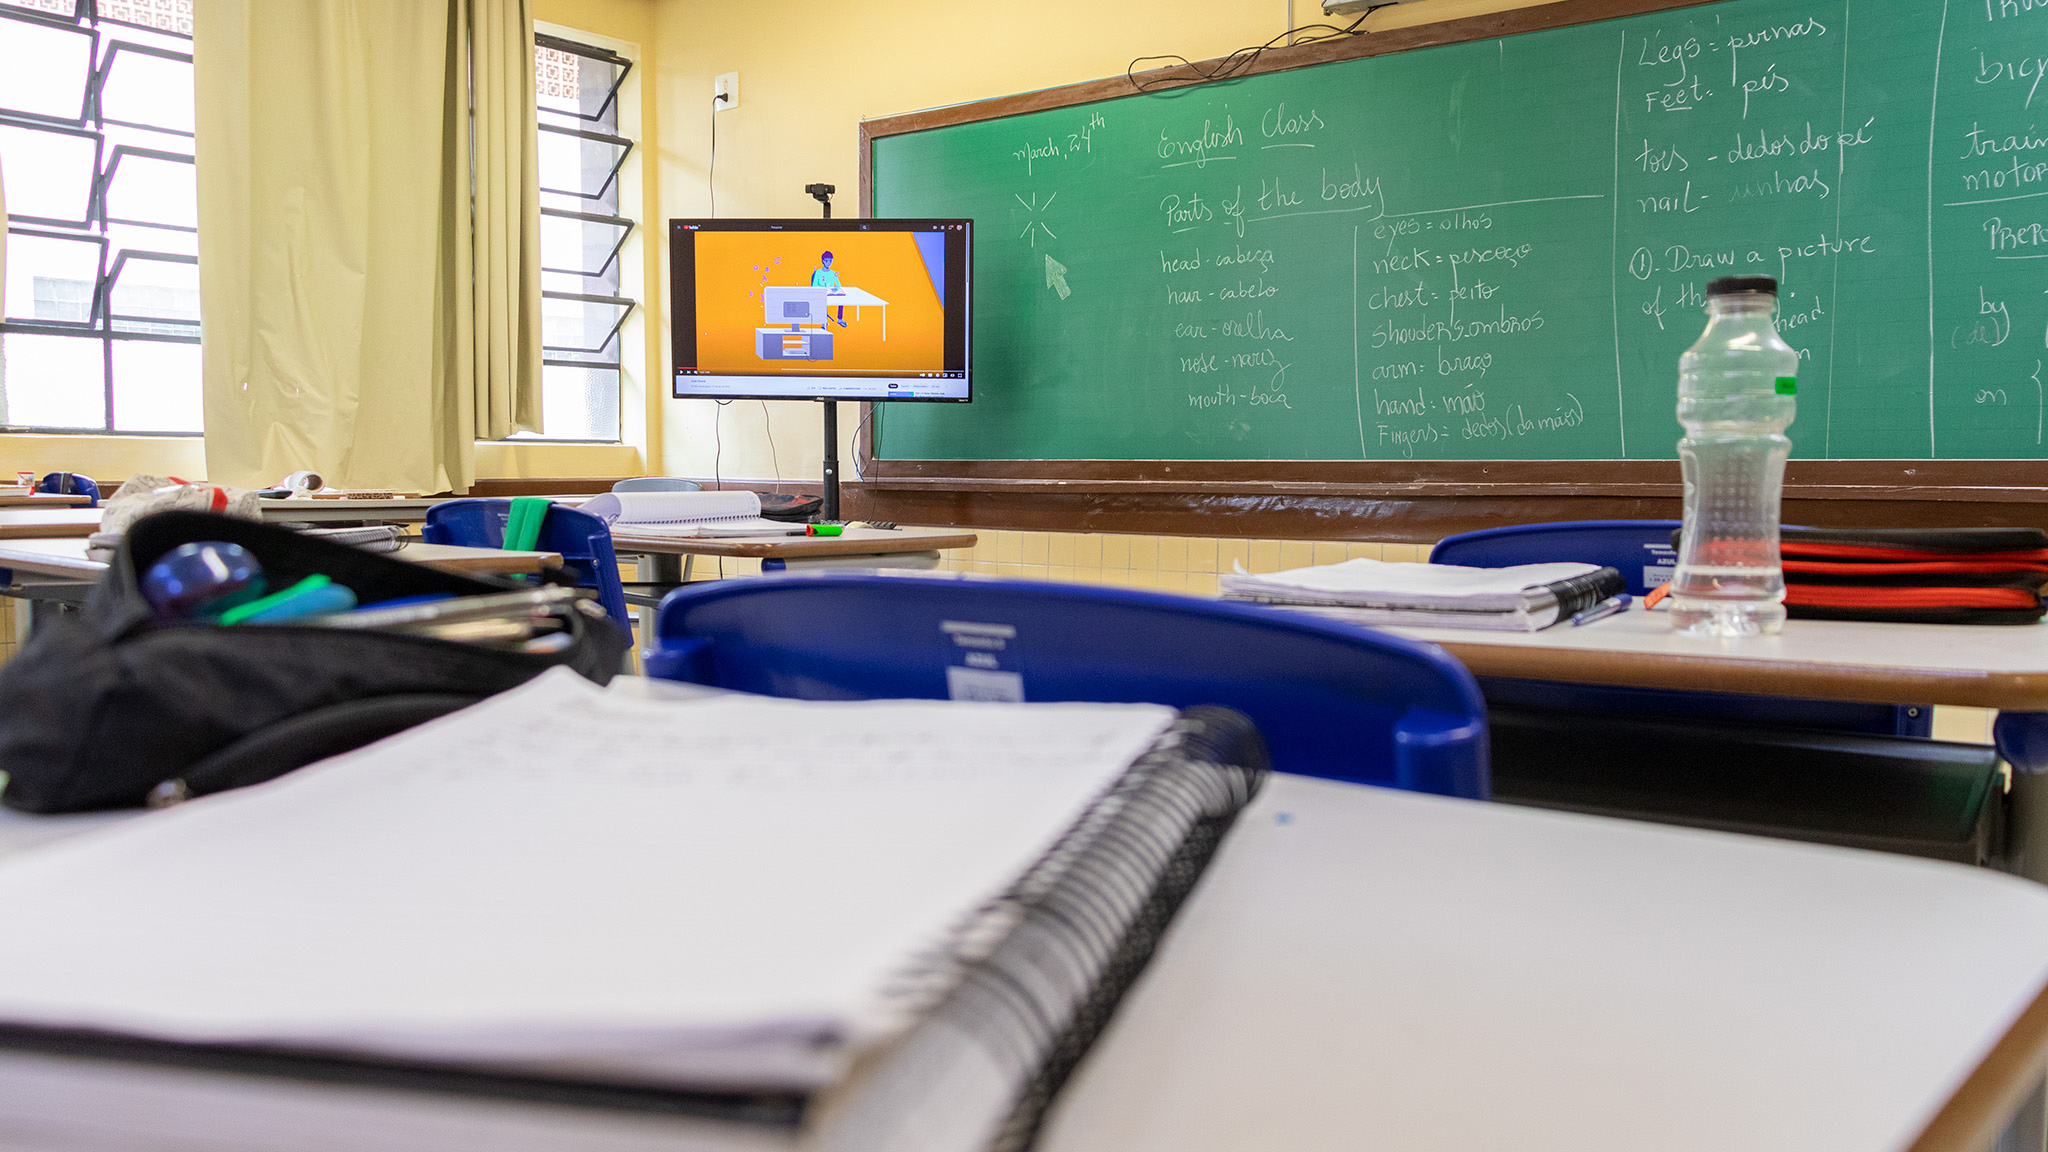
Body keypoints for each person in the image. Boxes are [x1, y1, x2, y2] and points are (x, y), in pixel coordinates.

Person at [811, 252, 846, 327]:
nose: (829, 263)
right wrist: (822, 288)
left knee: (841, 299)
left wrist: (835, 288)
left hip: (831, 293)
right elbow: (814, 285)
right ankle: (824, 322)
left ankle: (840, 319)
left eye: (830, 261)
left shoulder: (832, 273)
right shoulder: (818, 272)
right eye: (827, 261)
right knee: (823, 302)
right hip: (821, 293)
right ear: (823, 261)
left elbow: (838, 284)